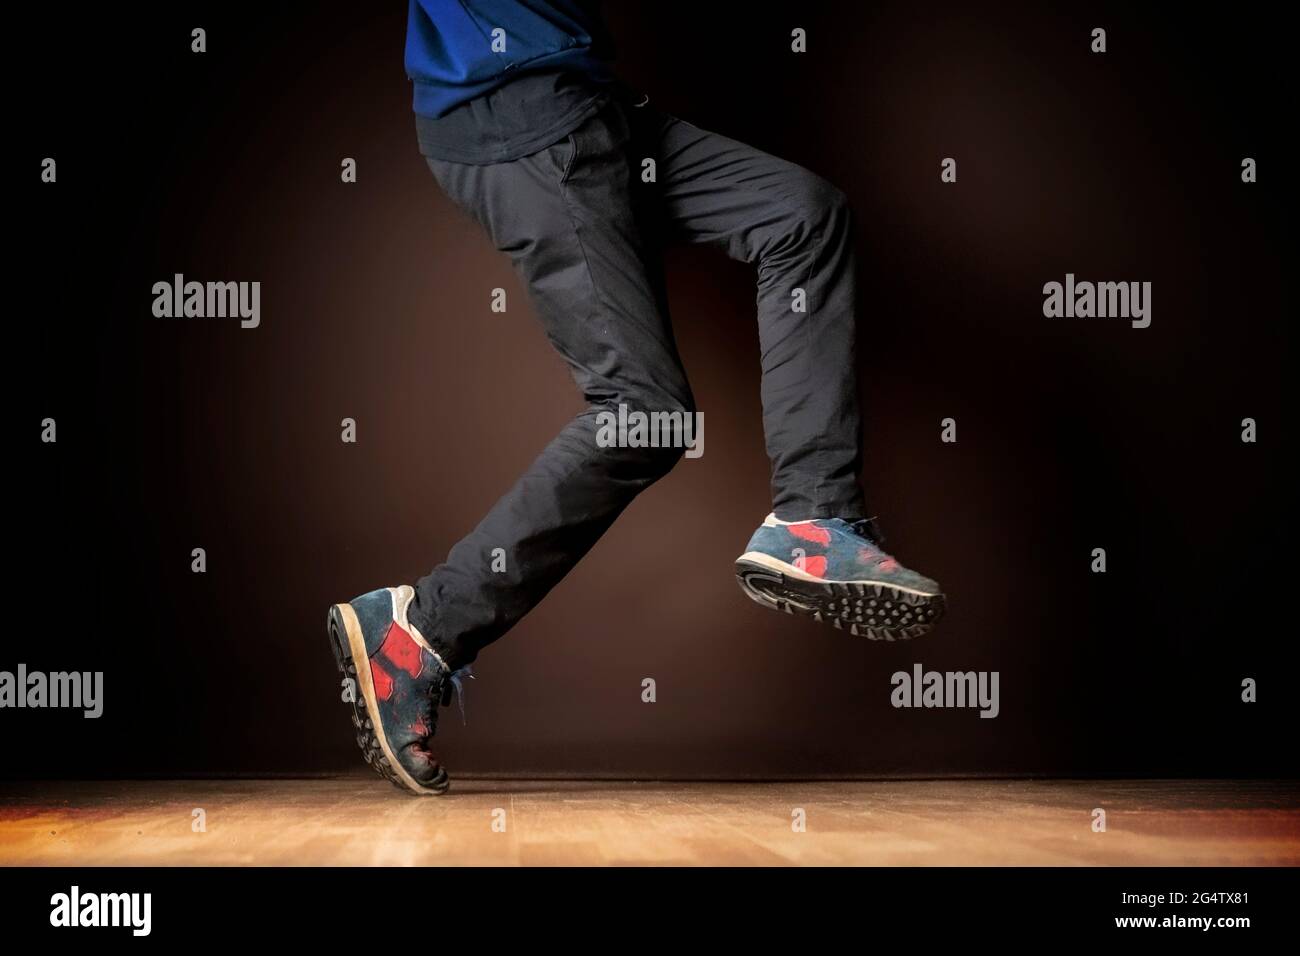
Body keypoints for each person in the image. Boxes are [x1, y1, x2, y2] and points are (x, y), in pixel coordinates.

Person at [326, 0, 946, 796]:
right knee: (646, 414)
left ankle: (814, 521)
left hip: (588, 100)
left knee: (802, 216)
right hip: (525, 117)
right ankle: (416, 634)